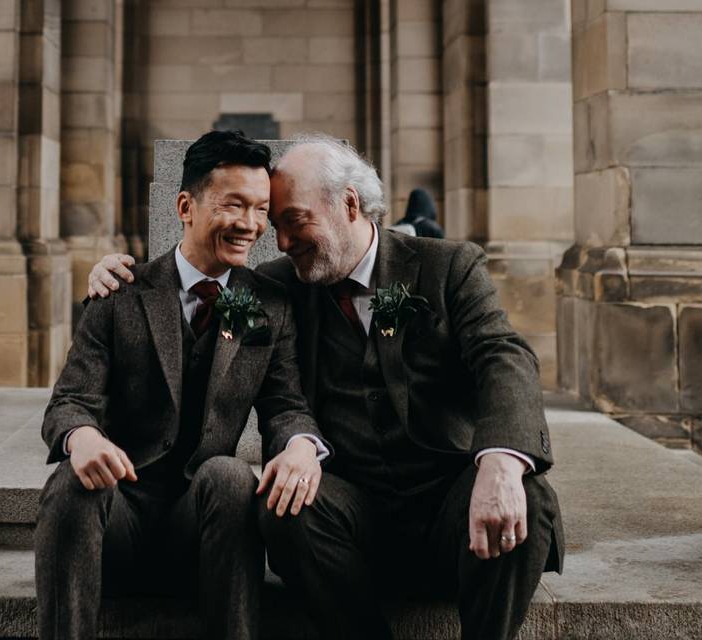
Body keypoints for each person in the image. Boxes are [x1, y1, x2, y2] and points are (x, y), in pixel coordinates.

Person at [87, 134, 564, 640]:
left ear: (350, 205)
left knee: (528, 497)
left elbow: (504, 356)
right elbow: (194, 293)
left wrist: (502, 459)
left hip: (452, 507)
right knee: (283, 505)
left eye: (294, 221)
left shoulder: (447, 267)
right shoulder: (278, 287)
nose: (284, 242)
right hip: (353, 523)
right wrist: (124, 279)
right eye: (278, 227)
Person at [36, 130, 329, 640]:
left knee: (231, 474)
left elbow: (285, 405)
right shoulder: (120, 293)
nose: (250, 224)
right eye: (234, 204)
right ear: (185, 206)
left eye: (261, 209)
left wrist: (303, 446)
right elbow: (69, 402)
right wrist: (81, 436)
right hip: (119, 525)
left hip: (204, 529)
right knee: (71, 481)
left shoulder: (271, 304)